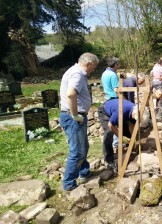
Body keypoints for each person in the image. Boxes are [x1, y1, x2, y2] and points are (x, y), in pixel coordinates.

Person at [59, 52, 99, 191]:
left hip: (75, 117)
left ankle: (84, 172)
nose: (93, 70)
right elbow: (71, 93)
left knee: (83, 147)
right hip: (73, 118)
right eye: (93, 67)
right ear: (88, 64)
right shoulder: (77, 74)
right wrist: (75, 115)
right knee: (77, 151)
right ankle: (69, 184)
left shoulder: (75, 72)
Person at [98, 99, 149, 173]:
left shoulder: (136, 111)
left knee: (126, 130)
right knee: (109, 133)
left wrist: (133, 139)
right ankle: (108, 160)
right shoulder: (122, 111)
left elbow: (132, 125)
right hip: (105, 111)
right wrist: (121, 137)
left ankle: (129, 150)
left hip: (117, 110)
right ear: (133, 115)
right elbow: (111, 125)